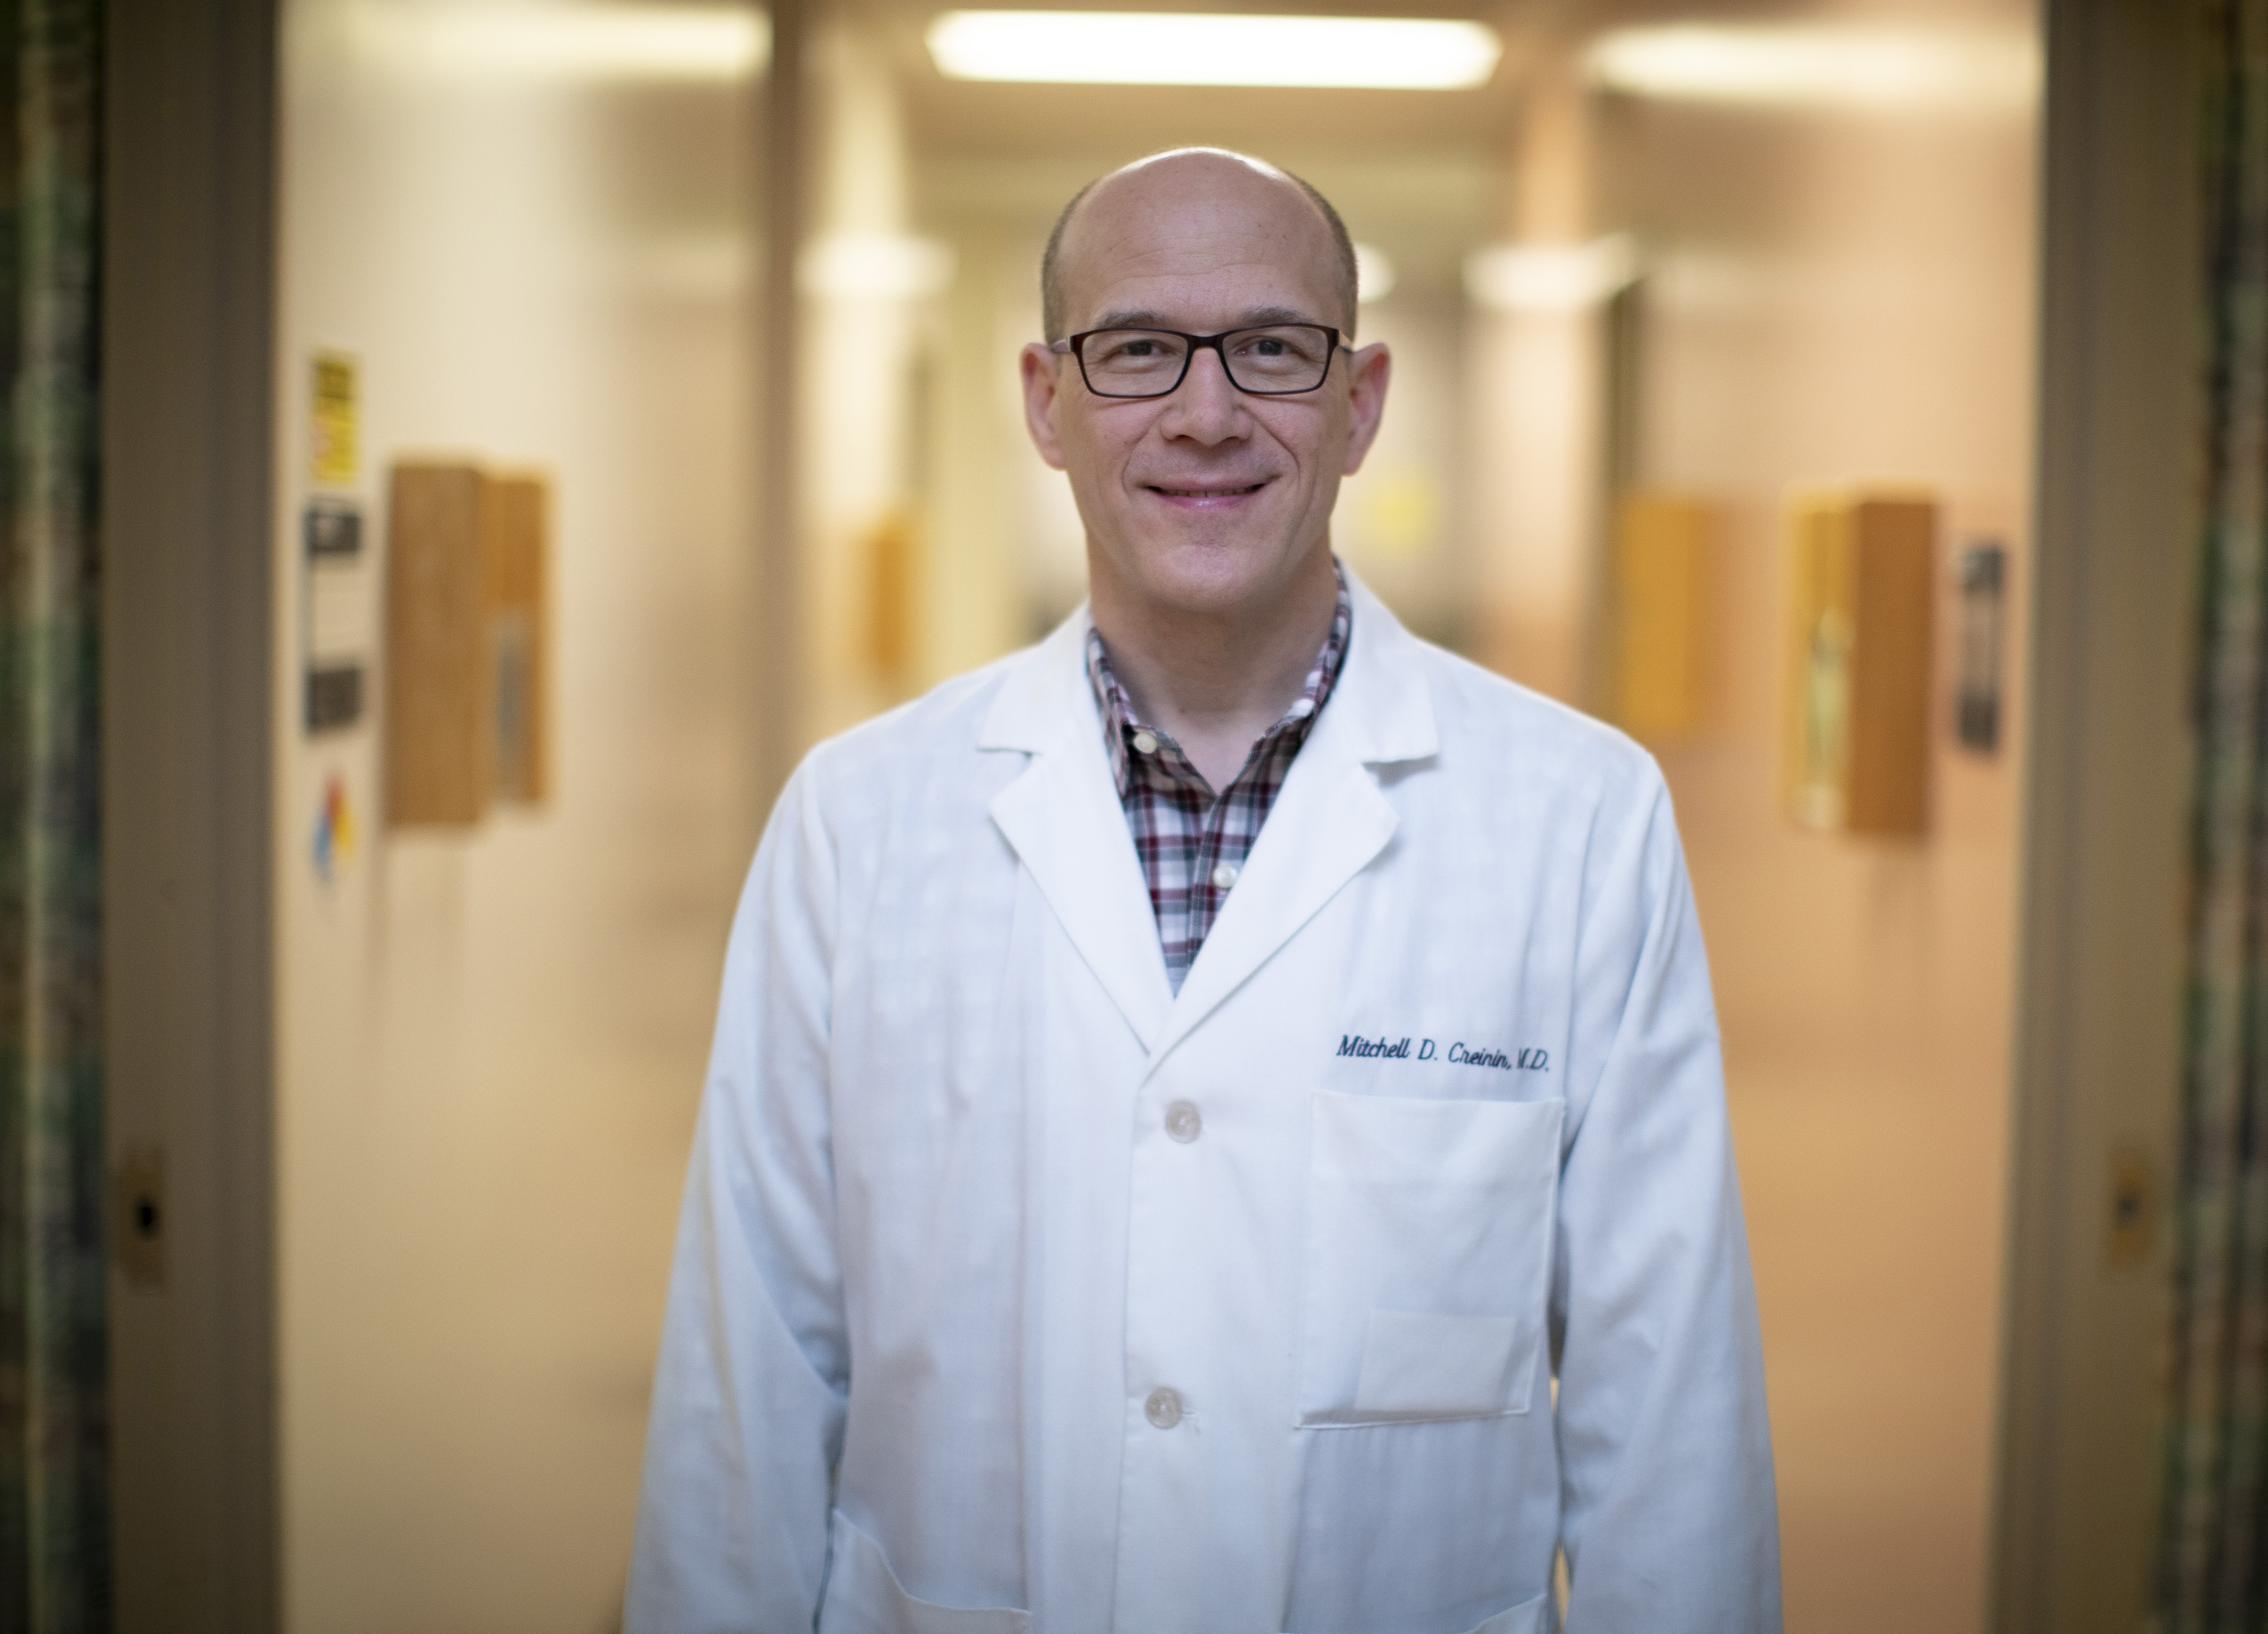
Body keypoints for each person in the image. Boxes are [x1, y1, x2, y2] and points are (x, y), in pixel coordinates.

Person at [624, 147, 1779, 1634]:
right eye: (1140, 350)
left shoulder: (1580, 820)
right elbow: (750, 1383)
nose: (1209, 411)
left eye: (1274, 350)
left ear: (1359, 404)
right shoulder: (857, 825)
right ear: (1048, 403)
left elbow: (1667, 1406)